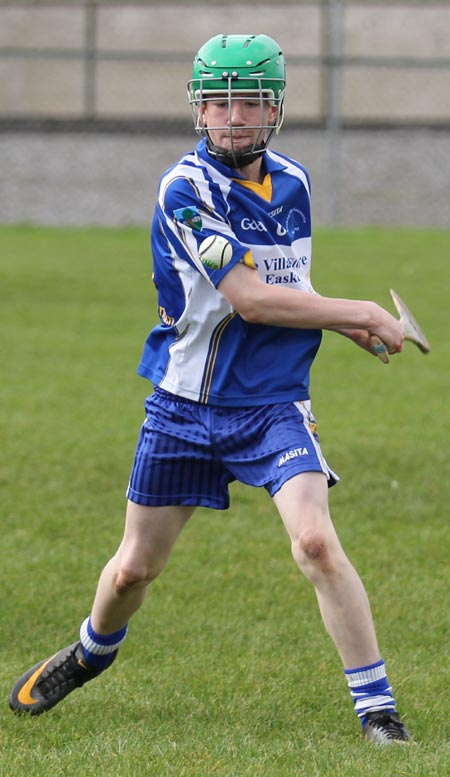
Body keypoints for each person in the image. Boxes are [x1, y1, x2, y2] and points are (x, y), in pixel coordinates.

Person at [10, 34, 410, 745]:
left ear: (276, 108)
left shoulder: (294, 181)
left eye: (249, 100)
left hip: (273, 402)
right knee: (134, 567)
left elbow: (289, 284)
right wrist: (362, 312)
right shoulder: (184, 190)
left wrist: (340, 326)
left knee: (315, 541)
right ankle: (90, 651)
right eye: (218, 101)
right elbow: (251, 299)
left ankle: (378, 711)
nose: (233, 116)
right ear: (198, 109)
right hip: (184, 408)